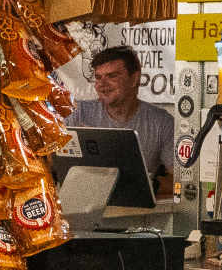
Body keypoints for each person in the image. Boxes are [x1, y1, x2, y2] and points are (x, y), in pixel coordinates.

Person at [73, 45, 183, 199]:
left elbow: (181, 181)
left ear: (134, 79)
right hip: (82, 209)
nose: (102, 84)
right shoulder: (77, 114)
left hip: (135, 217)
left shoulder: (162, 122)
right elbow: (48, 164)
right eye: (98, 77)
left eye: (112, 76)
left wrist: (142, 187)